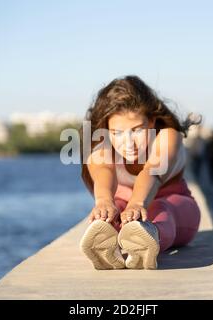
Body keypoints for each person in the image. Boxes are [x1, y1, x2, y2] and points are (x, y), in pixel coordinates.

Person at [79, 75, 201, 270]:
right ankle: (105, 243)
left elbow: (152, 171)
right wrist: (104, 202)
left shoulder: (167, 136)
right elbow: (103, 170)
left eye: (136, 130)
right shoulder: (100, 142)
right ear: (107, 129)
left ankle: (149, 238)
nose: (128, 143)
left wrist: (136, 203)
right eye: (117, 133)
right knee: (114, 208)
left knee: (159, 207)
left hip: (176, 207)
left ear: (151, 121)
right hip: (126, 209)